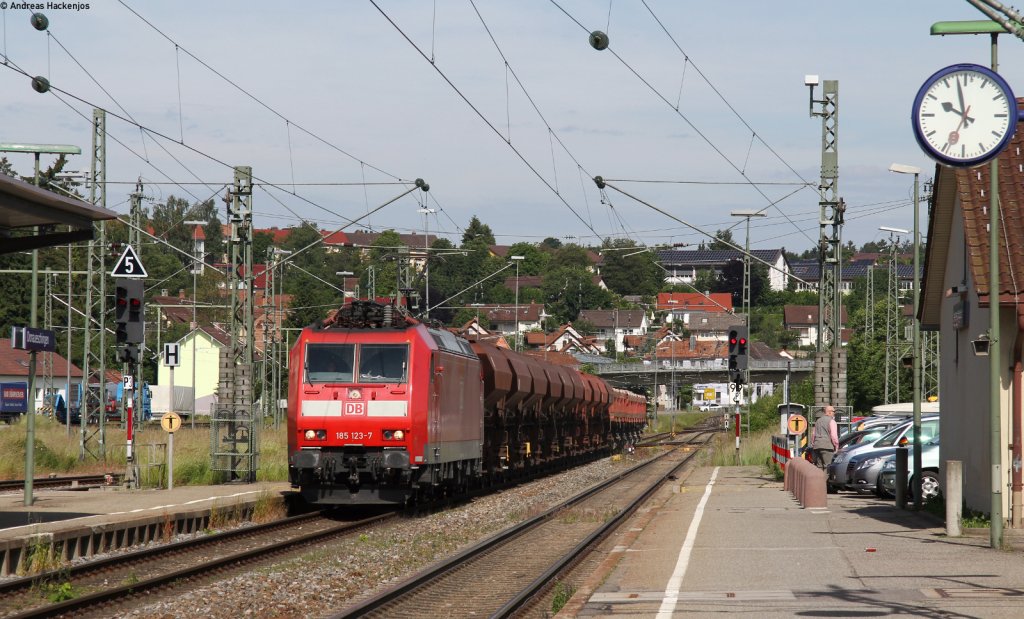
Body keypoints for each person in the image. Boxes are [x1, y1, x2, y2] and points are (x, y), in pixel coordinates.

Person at [811, 405, 839, 469]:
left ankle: (819, 479)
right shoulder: (832, 421)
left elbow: (813, 434)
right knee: (828, 466)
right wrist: (836, 446)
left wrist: (813, 443)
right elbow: (833, 436)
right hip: (827, 447)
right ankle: (826, 479)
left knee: (819, 466)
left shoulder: (818, 421)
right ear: (829, 412)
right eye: (833, 411)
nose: (834, 413)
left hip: (817, 446)